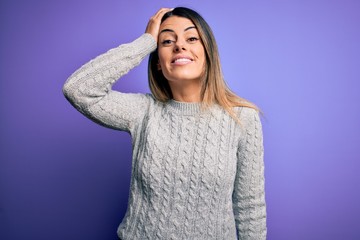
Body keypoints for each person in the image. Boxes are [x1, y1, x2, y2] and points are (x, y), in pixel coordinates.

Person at [63, 7, 266, 240]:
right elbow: (78, 90)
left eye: (191, 38)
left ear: (208, 53)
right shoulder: (142, 112)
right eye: (167, 41)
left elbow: (250, 208)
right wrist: (145, 41)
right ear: (158, 62)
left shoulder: (242, 117)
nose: (180, 46)